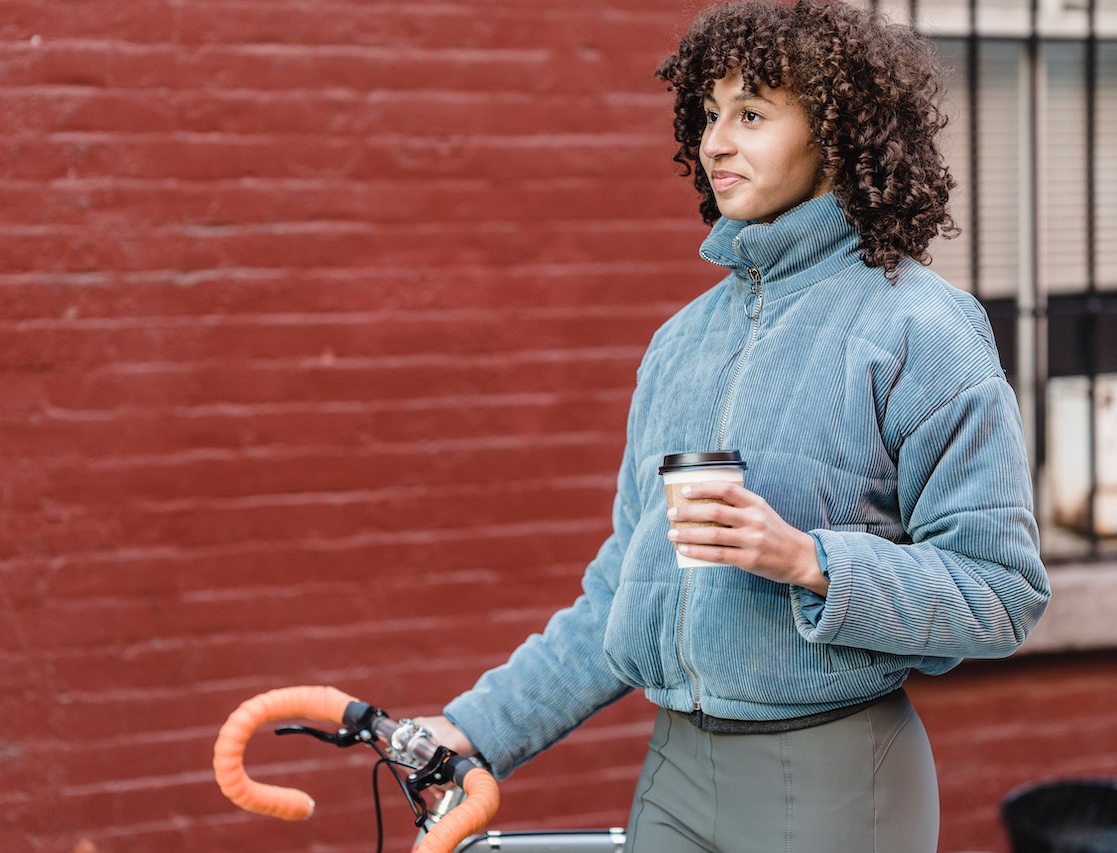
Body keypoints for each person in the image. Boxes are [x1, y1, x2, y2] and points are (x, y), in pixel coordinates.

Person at [417, 2, 1051, 851]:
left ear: (835, 130)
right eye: (709, 115)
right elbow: (620, 593)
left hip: (835, 777)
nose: (717, 141)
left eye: (751, 114)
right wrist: (474, 727)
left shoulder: (921, 328)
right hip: (677, 773)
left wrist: (809, 561)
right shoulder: (680, 342)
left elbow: (1001, 591)